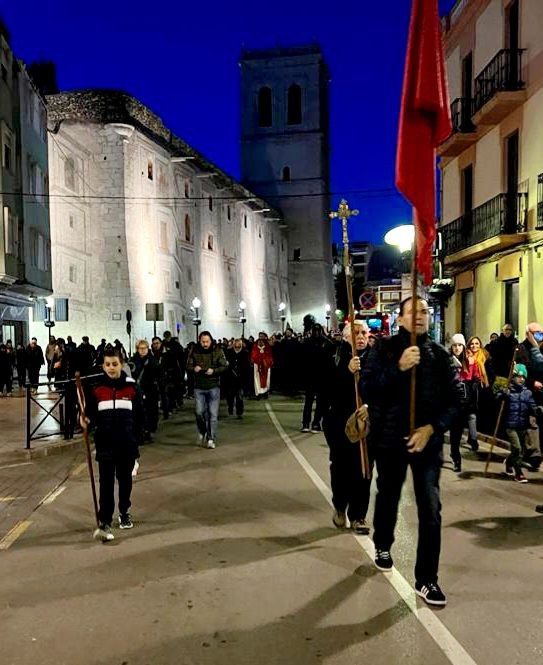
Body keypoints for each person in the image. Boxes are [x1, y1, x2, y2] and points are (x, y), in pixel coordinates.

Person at [361, 296, 462, 607]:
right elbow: (368, 386)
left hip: (427, 444)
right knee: (388, 495)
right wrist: (398, 367)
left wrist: (432, 428)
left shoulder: (441, 356)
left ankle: (427, 579)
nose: (420, 316)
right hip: (391, 440)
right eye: (413, 311)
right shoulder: (384, 349)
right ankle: (382, 543)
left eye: (424, 311)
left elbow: (458, 399)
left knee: (430, 509)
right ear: (400, 318)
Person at [84, 345, 144, 541]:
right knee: (106, 484)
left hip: (126, 443)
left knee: (125, 481)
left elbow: (139, 417)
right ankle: (105, 521)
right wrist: (85, 421)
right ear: (103, 366)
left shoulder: (131, 387)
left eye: (115, 364)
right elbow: (90, 415)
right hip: (105, 444)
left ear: (122, 365)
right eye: (108, 364)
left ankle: (124, 511)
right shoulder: (97, 389)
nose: (111, 368)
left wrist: (137, 441)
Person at [323, 319, 372, 534]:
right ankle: (340, 506)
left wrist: (370, 406)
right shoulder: (335, 357)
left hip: (367, 425)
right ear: (345, 337)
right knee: (341, 469)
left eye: (363, 333)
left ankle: (359, 515)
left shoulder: (376, 358)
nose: (360, 337)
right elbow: (326, 389)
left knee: (364, 470)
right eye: (355, 333)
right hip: (340, 424)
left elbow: (384, 386)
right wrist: (346, 371)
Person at [186, 331, 228, 449]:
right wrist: (194, 368)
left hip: (213, 386)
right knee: (199, 412)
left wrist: (214, 371)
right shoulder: (194, 351)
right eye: (203, 342)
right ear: (200, 341)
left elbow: (224, 366)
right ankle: (203, 430)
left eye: (207, 341)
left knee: (213, 414)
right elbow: (188, 366)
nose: (205, 344)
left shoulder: (217, 351)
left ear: (211, 340)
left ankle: (211, 438)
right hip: (199, 387)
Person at [498, 363, 537, 483]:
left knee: (521, 451)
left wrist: (537, 410)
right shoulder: (508, 391)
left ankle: (509, 461)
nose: (521, 379)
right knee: (517, 448)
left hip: (523, 425)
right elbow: (497, 399)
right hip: (510, 425)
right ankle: (519, 474)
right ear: (513, 376)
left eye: (523, 377)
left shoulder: (528, 393)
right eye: (518, 376)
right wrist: (502, 394)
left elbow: (532, 407)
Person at [301, 324, 333, 432]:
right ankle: (306, 423)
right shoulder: (307, 342)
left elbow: (330, 362)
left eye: (318, 330)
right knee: (309, 402)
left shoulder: (327, 343)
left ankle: (316, 422)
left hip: (322, 377)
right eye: (315, 330)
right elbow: (302, 360)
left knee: (320, 402)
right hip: (311, 376)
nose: (317, 332)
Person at [464, 336, 493, 451]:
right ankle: (474, 439)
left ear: (480, 344)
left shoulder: (486, 356)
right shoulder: (465, 357)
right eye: (472, 344)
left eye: (476, 343)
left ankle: (472, 436)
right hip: (471, 389)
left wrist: (487, 383)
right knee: (472, 415)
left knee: (477, 415)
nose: (474, 346)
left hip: (483, 390)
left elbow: (491, 373)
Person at [130, 340, 160, 442]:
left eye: (144, 348)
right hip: (137, 390)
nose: (142, 350)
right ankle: (141, 432)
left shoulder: (153, 361)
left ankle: (148, 431)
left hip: (150, 389)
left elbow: (158, 375)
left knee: (151, 410)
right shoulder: (133, 361)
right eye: (140, 348)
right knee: (139, 411)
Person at [448, 333, 470, 472]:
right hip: (451, 401)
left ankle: (454, 452)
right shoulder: (448, 361)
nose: (457, 348)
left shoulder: (468, 361)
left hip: (464, 402)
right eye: (454, 345)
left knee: (458, 431)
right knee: (454, 432)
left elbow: (472, 378)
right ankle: (456, 457)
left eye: (459, 345)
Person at [225, 338, 250, 418]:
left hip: (240, 378)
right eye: (236, 343)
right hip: (230, 378)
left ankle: (239, 412)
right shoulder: (229, 352)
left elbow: (247, 366)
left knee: (239, 396)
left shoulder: (245, 353)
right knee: (230, 396)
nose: (237, 344)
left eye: (239, 343)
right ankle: (230, 407)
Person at [250, 332, 274, 399]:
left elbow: (269, 354)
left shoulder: (268, 344)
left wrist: (266, 360)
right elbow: (253, 353)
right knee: (257, 378)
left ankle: (265, 392)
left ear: (265, 336)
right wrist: (256, 359)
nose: (261, 337)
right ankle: (258, 393)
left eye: (262, 336)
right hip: (257, 364)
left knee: (266, 379)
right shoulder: (255, 344)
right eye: (260, 336)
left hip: (266, 364)